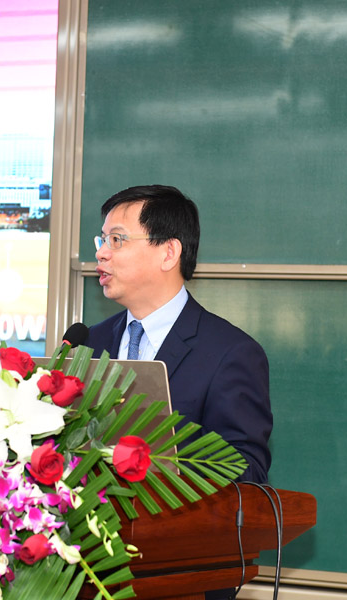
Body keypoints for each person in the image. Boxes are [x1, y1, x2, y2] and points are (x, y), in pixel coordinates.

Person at [86, 184, 272, 484]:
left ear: (169, 253)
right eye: (102, 239)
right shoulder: (90, 342)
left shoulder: (230, 354)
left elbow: (245, 473)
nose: (101, 252)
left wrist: (158, 471)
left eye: (116, 240)